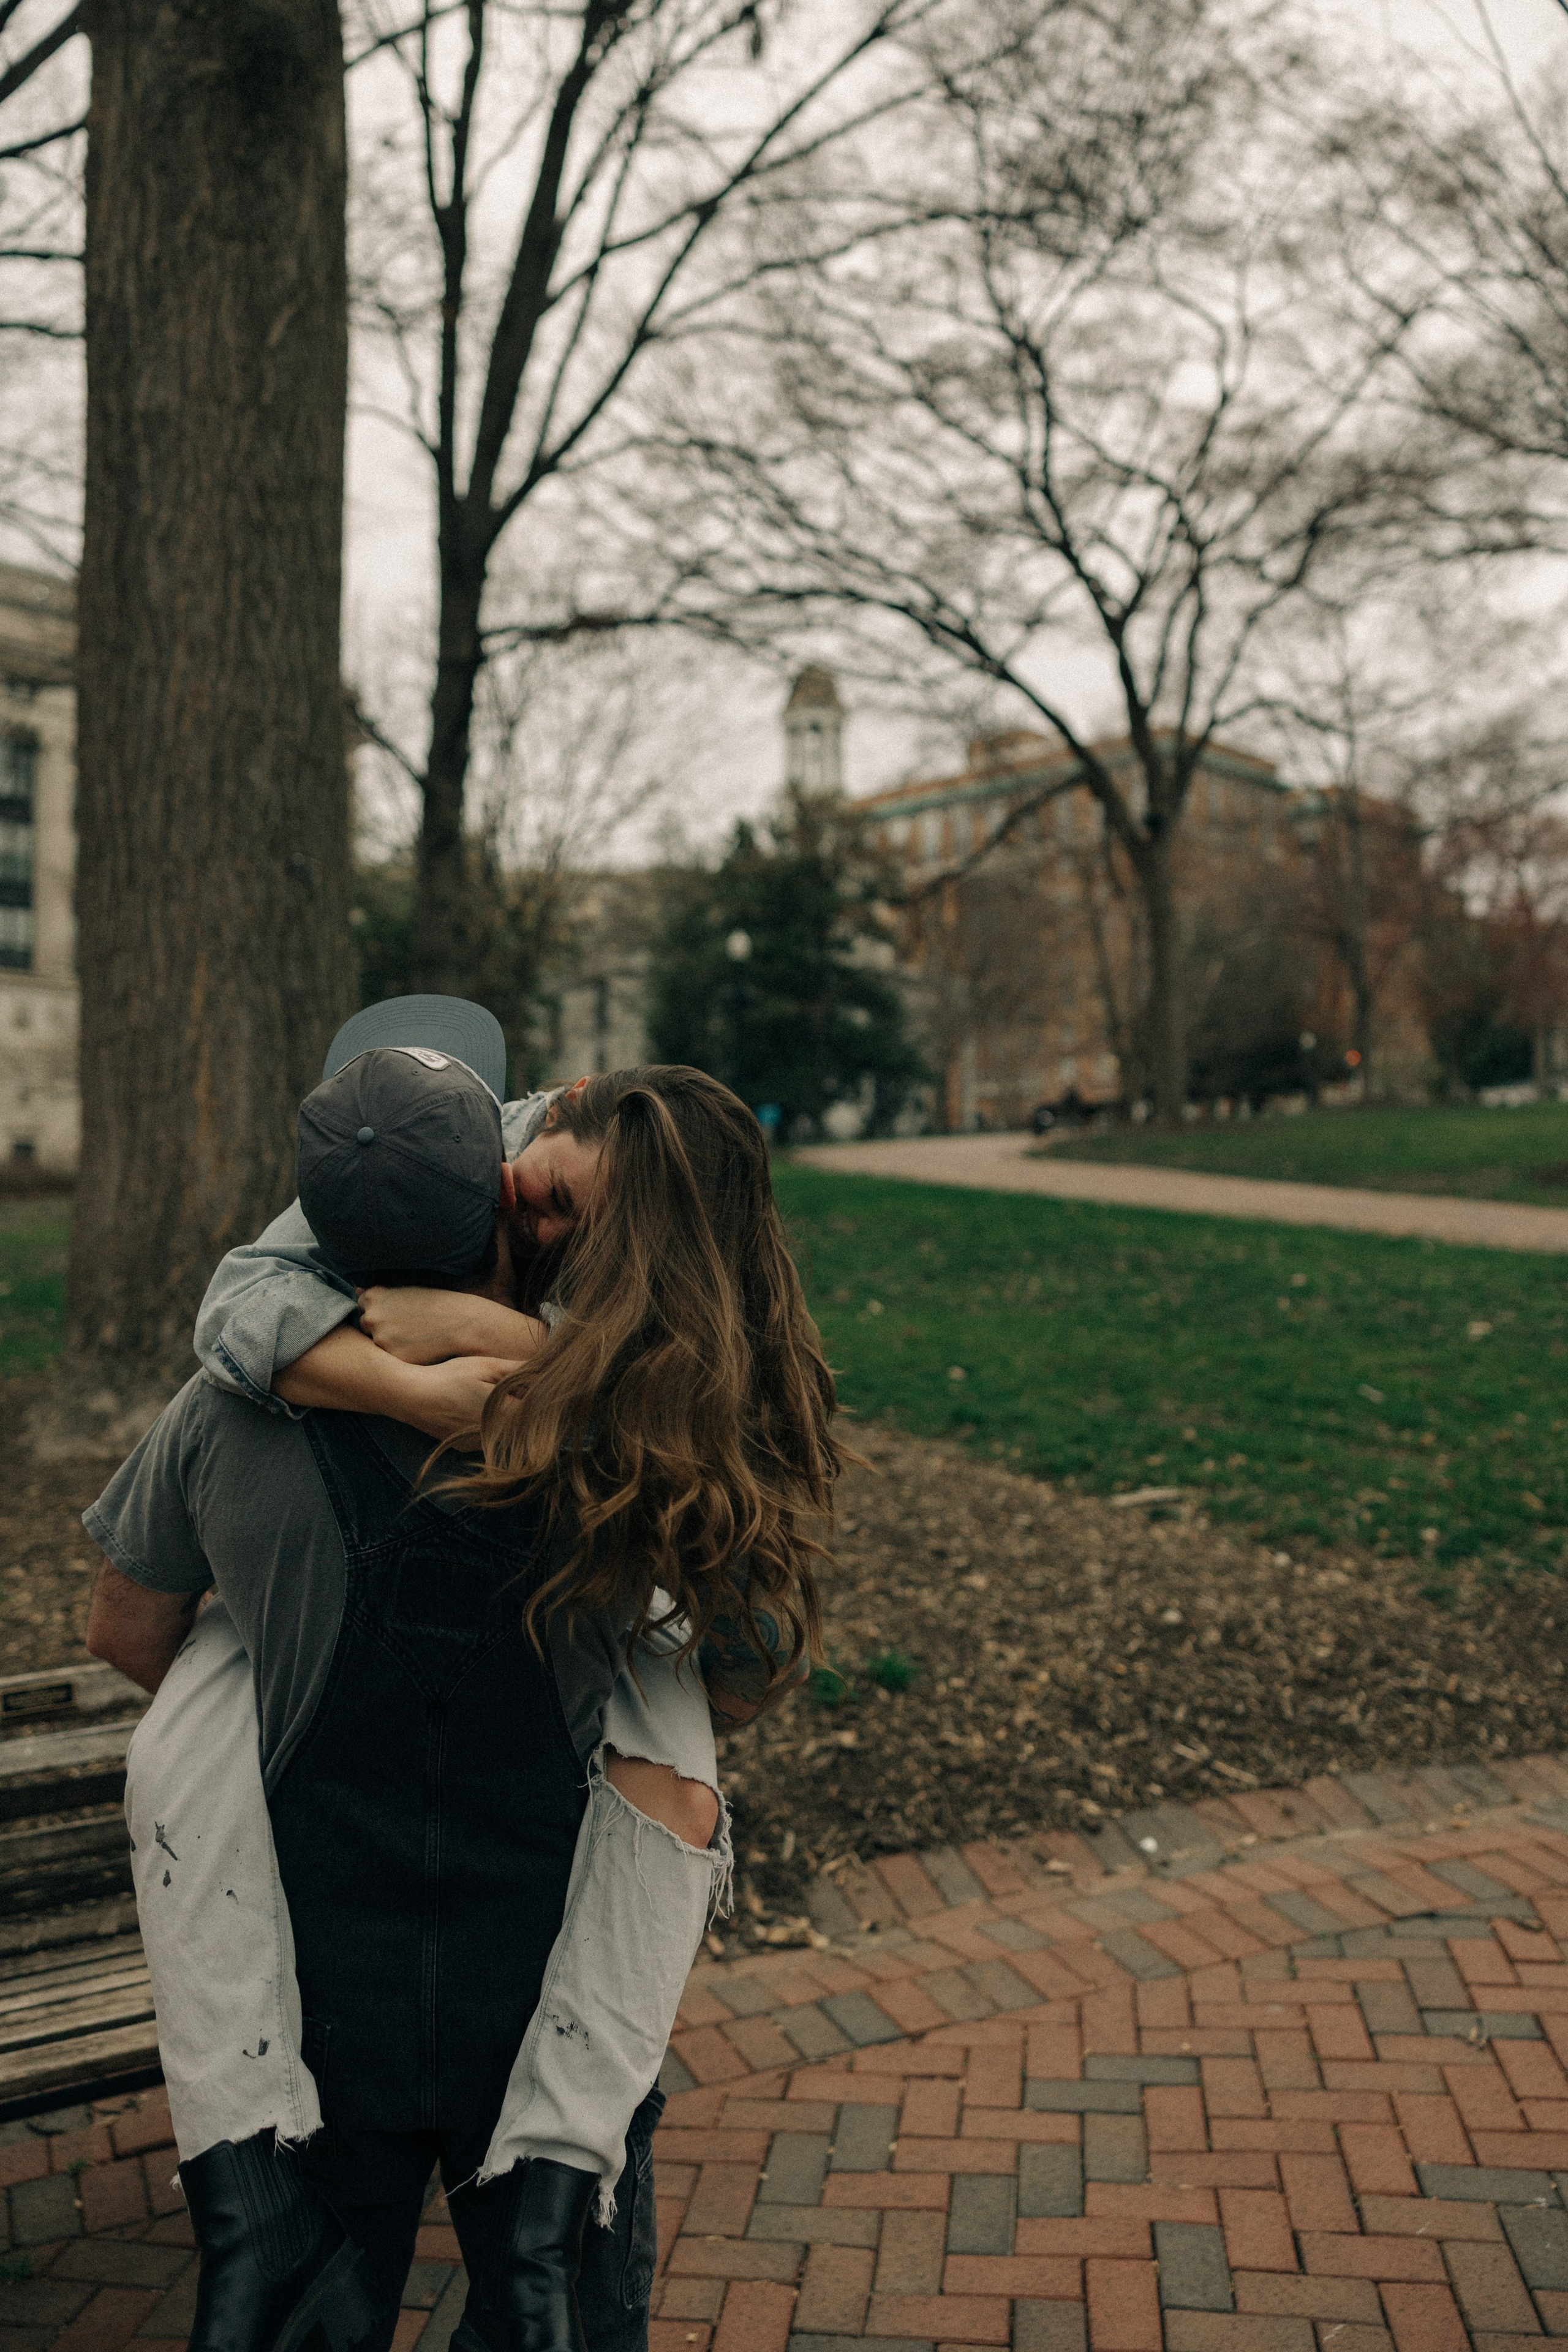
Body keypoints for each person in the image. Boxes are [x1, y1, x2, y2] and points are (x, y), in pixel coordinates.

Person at [86, 1012, 837, 2352]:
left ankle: (248, 2208)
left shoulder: (222, 1409)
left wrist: (263, 1653)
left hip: (321, 1984)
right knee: (557, 2310)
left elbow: (125, 1628)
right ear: (504, 1173)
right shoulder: (646, 1456)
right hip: (546, 1971)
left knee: (323, 2309)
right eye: (536, 1205)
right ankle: (544, 2238)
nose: (544, 1229)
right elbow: (737, 1673)